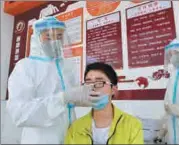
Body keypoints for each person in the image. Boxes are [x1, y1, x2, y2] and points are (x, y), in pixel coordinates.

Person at [6, 16, 104, 144]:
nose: (55, 41)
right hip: (41, 140)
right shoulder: (25, 67)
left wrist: (82, 99)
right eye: (49, 36)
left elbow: (70, 99)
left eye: (59, 36)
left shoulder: (65, 66)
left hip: (69, 137)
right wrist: (62, 98)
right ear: (37, 38)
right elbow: (20, 113)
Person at [64, 62, 144, 144]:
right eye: (88, 83)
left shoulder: (132, 125)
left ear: (113, 89)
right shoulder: (75, 128)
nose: (92, 88)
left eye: (99, 83)